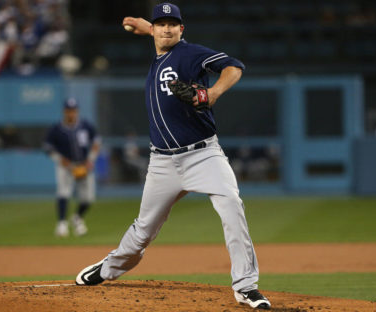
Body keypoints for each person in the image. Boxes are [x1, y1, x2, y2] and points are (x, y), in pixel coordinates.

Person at [76, 3, 271, 310]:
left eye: (173, 23)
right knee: (143, 231)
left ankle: (246, 286)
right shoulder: (159, 52)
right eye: (161, 23)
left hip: (203, 155)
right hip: (162, 163)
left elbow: (234, 66)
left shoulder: (190, 53)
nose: (167, 28)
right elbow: (157, 36)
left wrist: (213, 93)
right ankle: (108, 268)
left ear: (182, 29)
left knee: (232, 205)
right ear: (155, 28)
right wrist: (145, 26)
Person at [44, 97, 101, 237]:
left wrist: (90, 160)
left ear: (77, 111)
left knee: (88, 198)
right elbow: (47, 147)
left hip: (83, 164)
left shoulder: (85, 125)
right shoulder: (57, 129)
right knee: (63, 193)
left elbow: (97, 141)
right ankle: (62, 224)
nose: (71, 113)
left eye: (73, 110)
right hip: (66, 166)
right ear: (64, 111)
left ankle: (77, 218)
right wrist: (58, 158)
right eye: (69, 110)